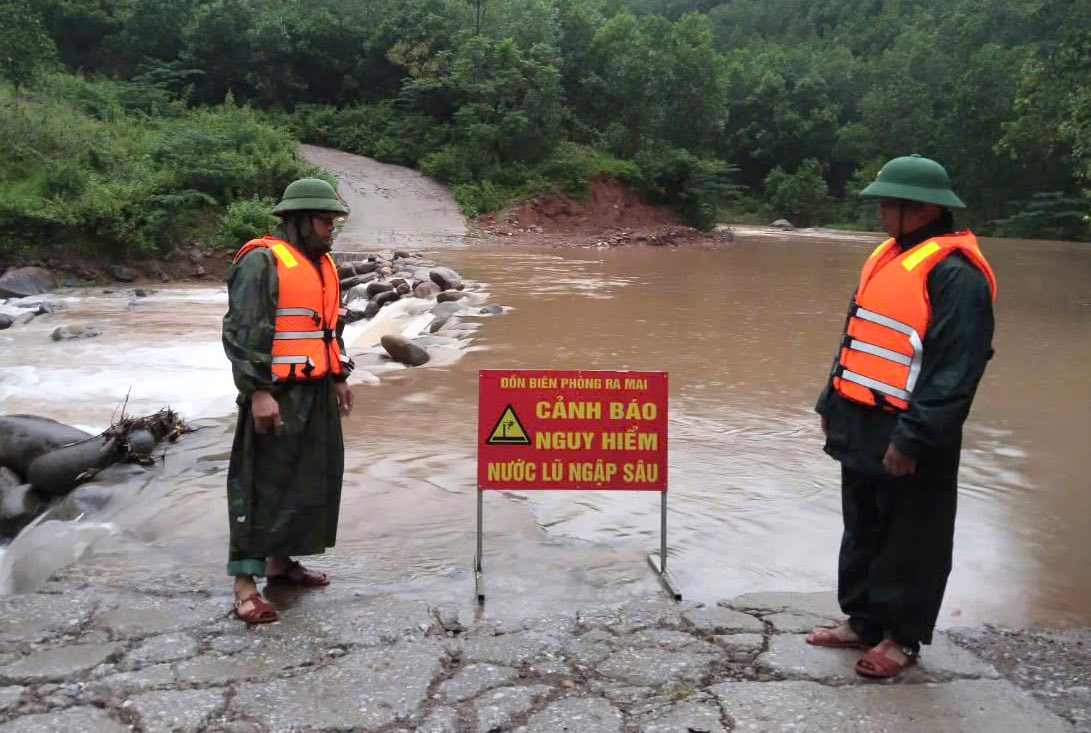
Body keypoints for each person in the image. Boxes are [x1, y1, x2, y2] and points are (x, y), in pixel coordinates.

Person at [809, 155, 996, 677]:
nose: (881, 213)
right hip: (861, 420)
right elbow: (857, 334)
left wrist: (913, 439)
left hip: (912, 430)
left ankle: (900, 637)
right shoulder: (887, 257)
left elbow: (954, 372)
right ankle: (863, 621)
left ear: (924, 210)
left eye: (890, 204)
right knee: (863, 524)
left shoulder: (957, 277)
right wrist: (831, 401)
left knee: (912, 535)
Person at [221, 178, 355, 624]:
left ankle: (281, 564)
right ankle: (245, 586)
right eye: (324, 221)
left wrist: (338, 376)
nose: (330, 230)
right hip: (275, 392)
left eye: (333, 222)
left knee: (310, 478)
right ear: (298, 221)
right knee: (260, 484)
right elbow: (242, 333)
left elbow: (327, 329)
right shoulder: (261, 261)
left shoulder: (321, 264)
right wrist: (258, 392)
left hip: (315, 391)